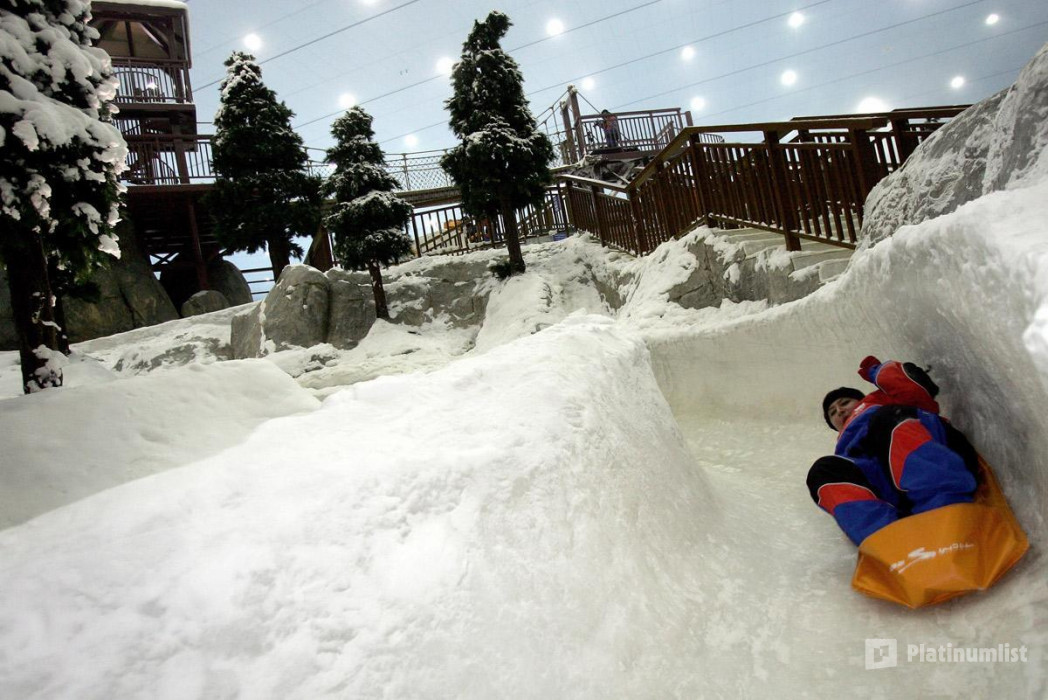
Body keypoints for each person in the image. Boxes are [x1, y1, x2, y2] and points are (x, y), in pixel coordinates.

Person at [806, 356, 979, 546]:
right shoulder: (845, 451)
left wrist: (876, 371)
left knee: (886, 420)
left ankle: (945, 508)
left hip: (934, 449)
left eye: (845, 402)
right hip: (893, 487)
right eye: (832, 412)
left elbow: (913, 388)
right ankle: (888, 540)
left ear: (861, 400)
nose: (839, 410)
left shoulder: (878, 402)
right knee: (823, 470)